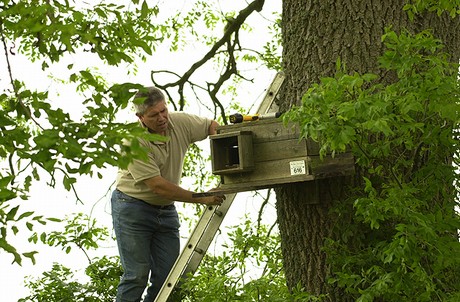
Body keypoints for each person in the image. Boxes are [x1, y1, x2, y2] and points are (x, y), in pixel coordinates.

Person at [111, 86, 225, 302]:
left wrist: (225, 159)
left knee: (169, 277)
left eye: (164, 110)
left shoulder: (179, 122)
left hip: (165, 209)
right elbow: (158, 186)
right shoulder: (132, 141)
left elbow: (212, 126)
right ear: (141, 117)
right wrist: (201, 197)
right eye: (154, 115)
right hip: (132, 208)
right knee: (137, 276)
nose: (162, 118)